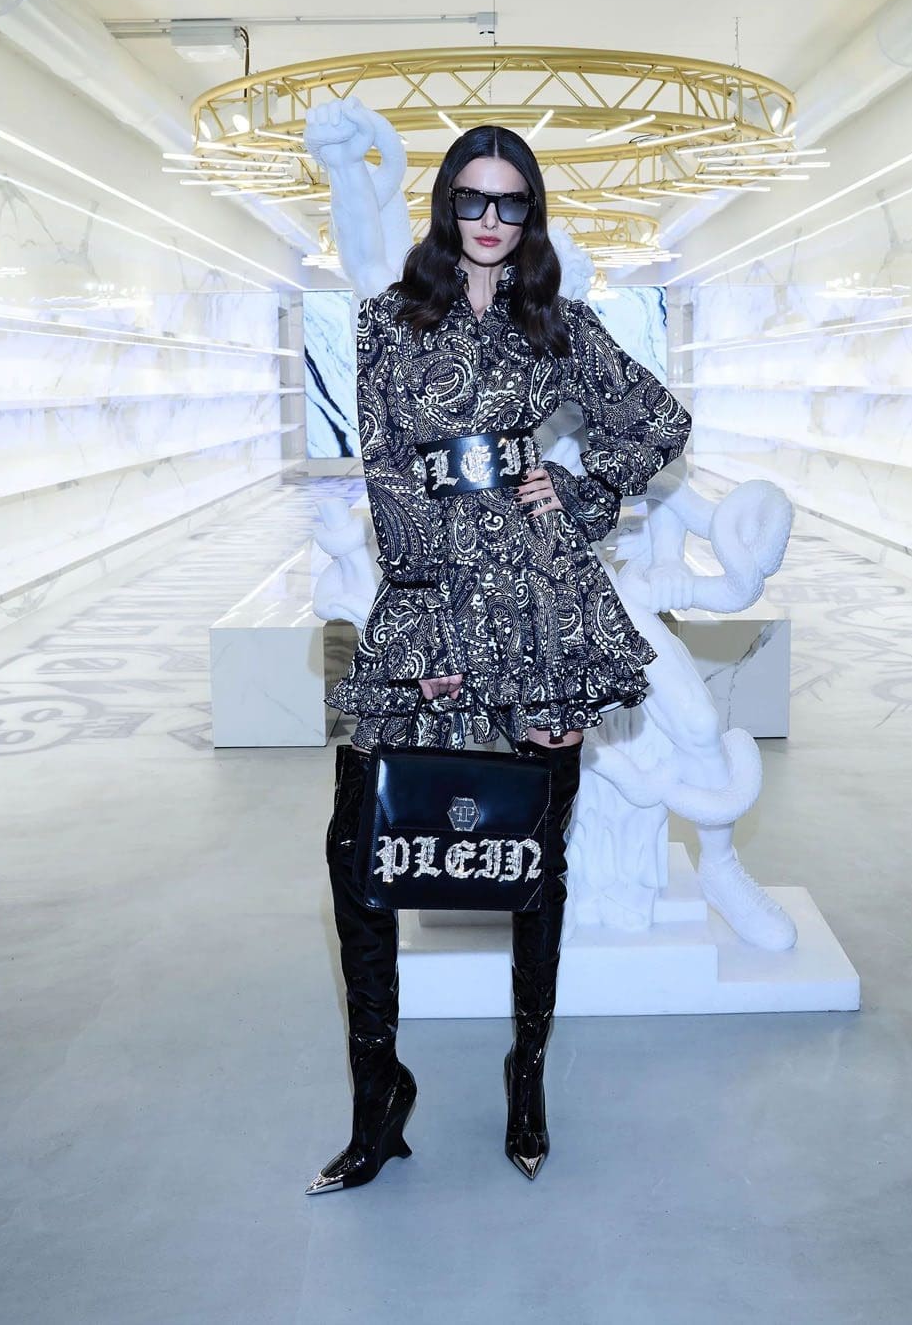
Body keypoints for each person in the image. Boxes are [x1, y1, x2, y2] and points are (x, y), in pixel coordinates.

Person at [306, 125, 692, 1194]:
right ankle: (378, 1097)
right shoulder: (388, 319)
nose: (489, 220)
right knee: (358, 845)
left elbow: (658, 421)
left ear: (531, 213)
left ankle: (527, 1078)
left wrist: (581, 490)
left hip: (537, 598)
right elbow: (386, 467)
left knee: (533, 852)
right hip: (429, 594)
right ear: (445, 205)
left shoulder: (556, 321)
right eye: (472, 199)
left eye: (510, 202)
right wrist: (428, 615)